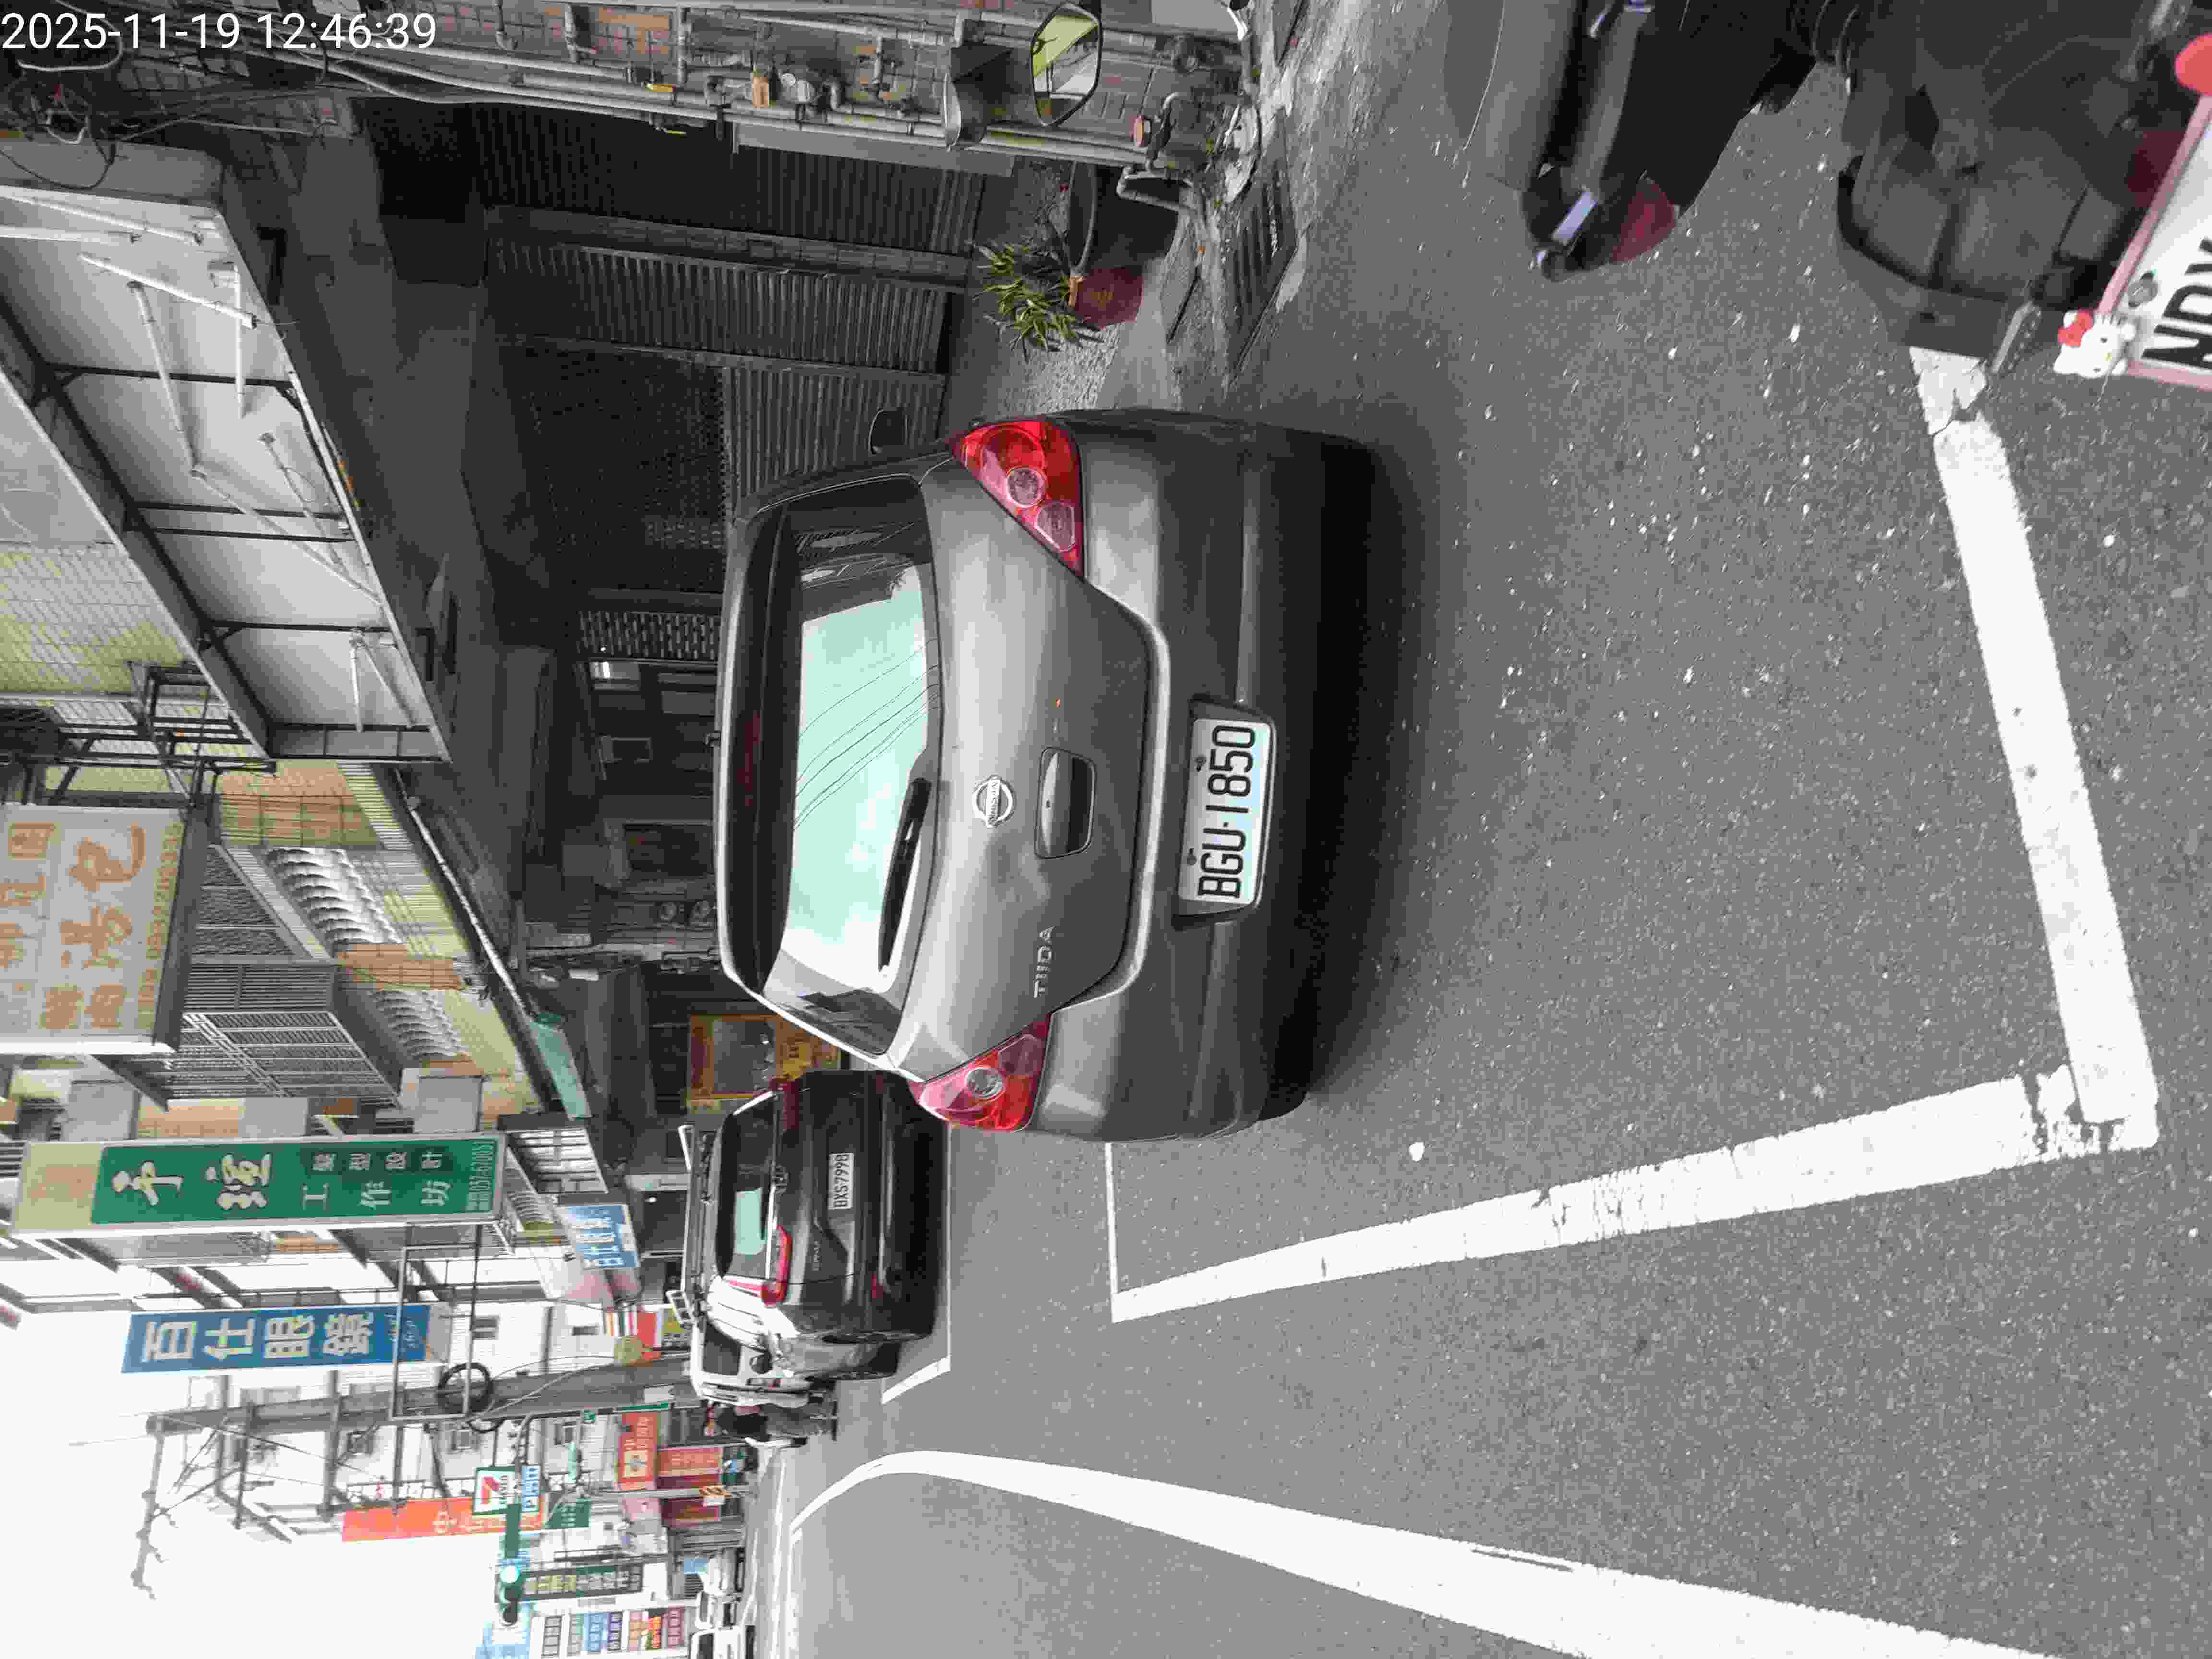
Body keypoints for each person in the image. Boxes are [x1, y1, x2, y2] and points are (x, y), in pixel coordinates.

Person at [712, 1397, 836, 1443]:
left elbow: (741, 1410)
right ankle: (828, 1409)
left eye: (712, 1431)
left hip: (767, 1423)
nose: (713, 1434)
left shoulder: (726, 1423)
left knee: (799, 1429)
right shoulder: (726, 1418)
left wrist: (759, 1411)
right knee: (798, 1411)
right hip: (767, 1409)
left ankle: (828, 1426)